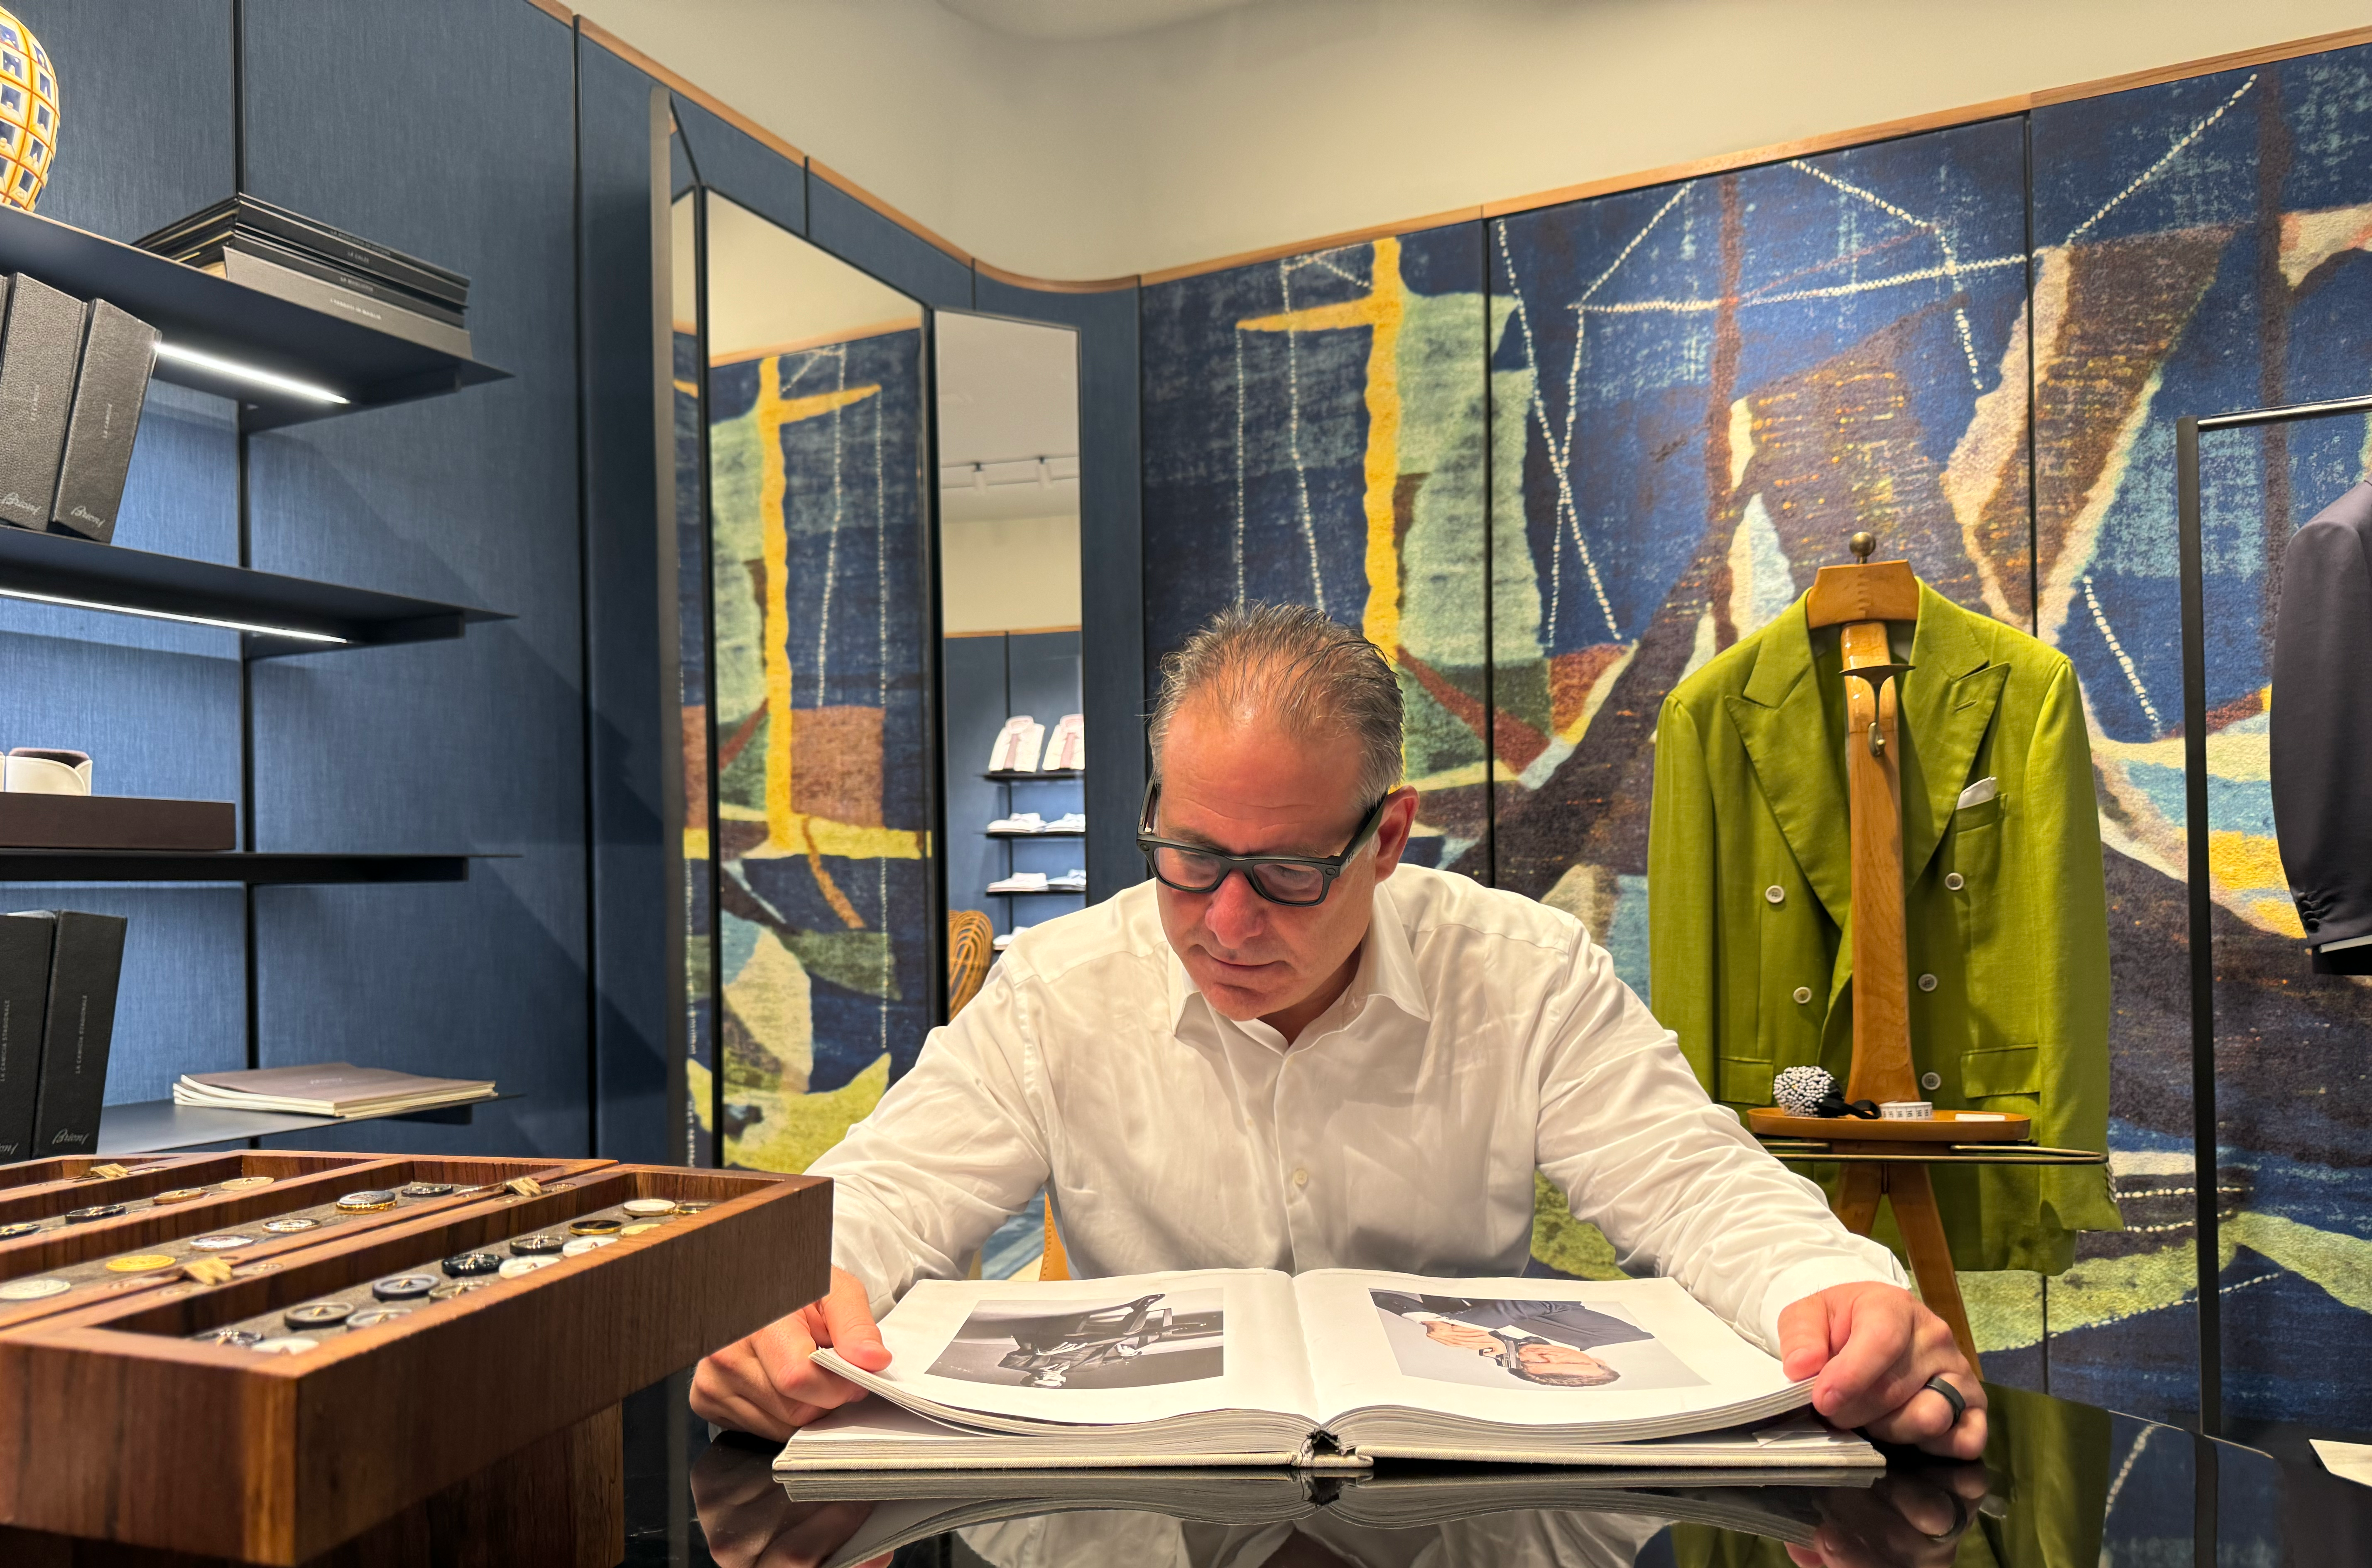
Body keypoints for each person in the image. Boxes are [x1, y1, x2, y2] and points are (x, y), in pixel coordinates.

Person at [693, 603, 1986, 1457]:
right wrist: (787, 1292)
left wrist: (1833, 1294)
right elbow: (883, 1189)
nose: (1226, 923)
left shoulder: (1520, 973)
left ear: (1384, 835)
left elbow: (1696, 1187)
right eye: (1187, 859)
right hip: (1145, 1482)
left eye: (1287, 873)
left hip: (1455, 1484)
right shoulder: (1053, 985)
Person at [1372, 1289, 1652, 1387]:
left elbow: (1388, 1297)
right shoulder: (1618, 1338)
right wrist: (1462, 1322)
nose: (1549, 1355)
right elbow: (1544, 1303)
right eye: (1574, 1364)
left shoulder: (1506, 1344)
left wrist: (1429, 1321)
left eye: (1538, 1361)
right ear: (1598, 1361)